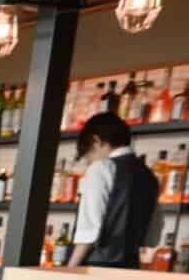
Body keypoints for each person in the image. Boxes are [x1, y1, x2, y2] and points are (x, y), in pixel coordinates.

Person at [69, 112, 161, 268]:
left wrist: (70, 269)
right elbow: (152, 236)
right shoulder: (149, 175)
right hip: (131, 267)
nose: (90, 162)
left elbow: (89, 230)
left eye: (88, 156)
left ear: (96, 141)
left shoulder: (101, 168)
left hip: (96, 266)